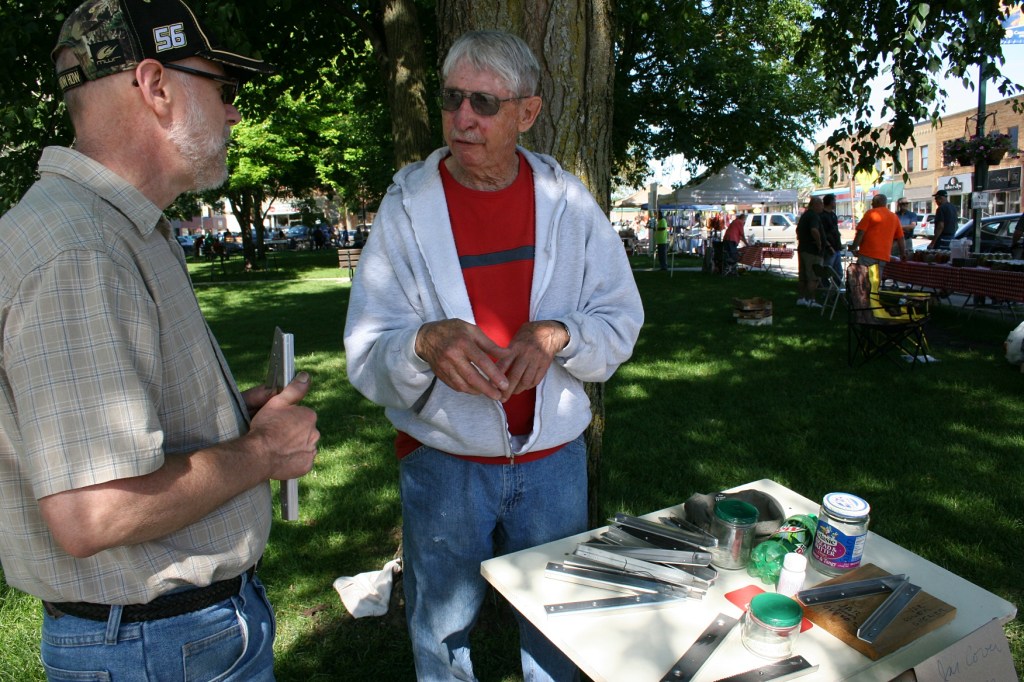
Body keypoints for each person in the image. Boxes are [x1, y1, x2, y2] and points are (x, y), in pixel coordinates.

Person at [0, 1, 320, 679]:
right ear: (156, 86)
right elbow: (95, 512)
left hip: (168, 639)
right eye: (223, 89)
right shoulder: (82, 251)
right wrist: (260, 451)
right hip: (157, 648)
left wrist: (233, 417)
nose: (234, 113)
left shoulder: (117, 228)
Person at [343, 30, 644, 682]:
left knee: (558, 630)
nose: (463, 118)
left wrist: (560, 332)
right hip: (444, 467)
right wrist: (422, 342)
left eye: (485, 102)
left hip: (555, 466)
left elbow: (621, 319)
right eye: (453, 99)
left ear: (527, 113)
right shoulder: (406, 208)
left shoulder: (567, 203)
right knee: (441, 640)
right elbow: (366, 352)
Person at [852, 193, 906, 266]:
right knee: (876, 277)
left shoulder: (871, 213)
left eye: (873, 202)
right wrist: (903, 254)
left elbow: (861, 232)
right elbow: (901, 238)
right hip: (883, 256)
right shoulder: (894, 217)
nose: (871, 204)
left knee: (864, 276)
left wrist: (854, 247)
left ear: (877, 202)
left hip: (868, 254)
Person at [796, 196, 825, 308]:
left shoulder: (805, 216)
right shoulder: (813, 216)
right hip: (812, 251)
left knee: (803, 276)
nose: (822, 207)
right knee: (813, 276)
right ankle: (811, 300)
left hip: (803, 248)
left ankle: (801, 298)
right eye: (821, 204)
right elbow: (814, 230)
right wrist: (819, 243)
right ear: (815, 205)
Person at [820, 194, 843, 283]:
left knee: (839, 273)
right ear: (830, 202)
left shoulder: (833, 215)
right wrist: (829, 246)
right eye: (834, 201)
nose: (835, 203)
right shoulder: (822, 215)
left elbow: (835, 230)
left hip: (836, 247)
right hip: (829, 249)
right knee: (826, 272)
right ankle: (825, 291)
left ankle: (835, 293)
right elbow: (823, 234)